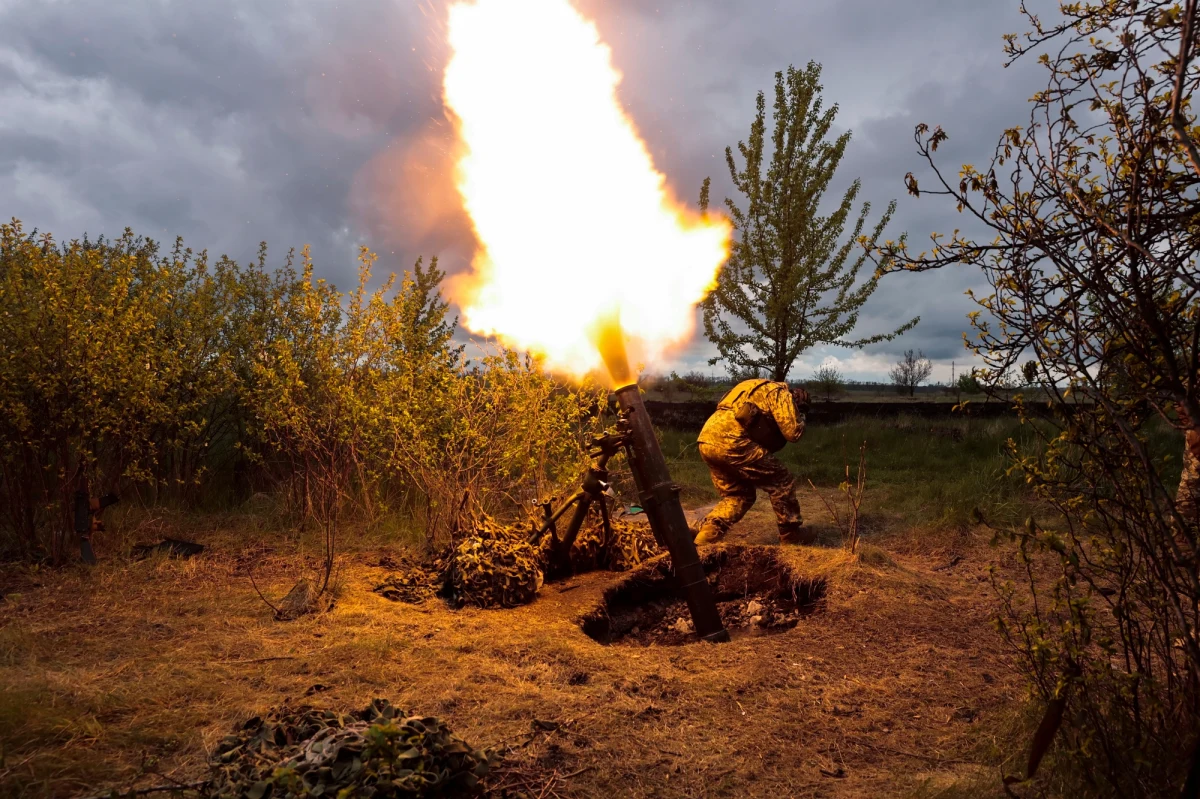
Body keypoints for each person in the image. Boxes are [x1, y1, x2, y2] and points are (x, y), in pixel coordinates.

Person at [694, 379, 811, 545]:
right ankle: (791, 533)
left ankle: (708, 534)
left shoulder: (750, 386)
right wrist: (802, 416)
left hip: (707, 438)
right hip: (733, 441)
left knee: (739, 495)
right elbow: (793, 433)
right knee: (782, 480)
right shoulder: (780, 392)